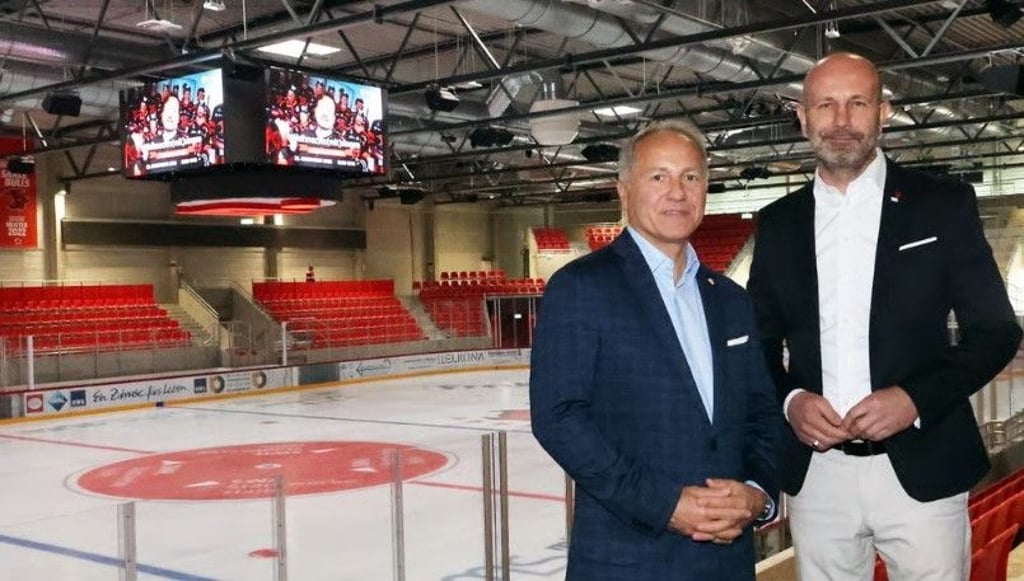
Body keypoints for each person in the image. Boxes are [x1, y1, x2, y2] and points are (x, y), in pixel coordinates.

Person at [747, 52, 1022, 581]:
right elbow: (757, 340)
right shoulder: (778, 223)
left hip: (924, 464)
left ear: (883, 112)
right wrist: (791, 400)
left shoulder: (942, 205)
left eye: (857, 103)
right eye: (825, 105)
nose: (841, 120)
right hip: (817, 473)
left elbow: (995, 330)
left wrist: (913, 398)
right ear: (802, 117)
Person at [530, 119, 780, 581]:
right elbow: (559, 418)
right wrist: (665, 505)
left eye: (690, 177)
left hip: (726, 562)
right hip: (629, 561)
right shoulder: (581, 287)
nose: (677, 192)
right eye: (658, 176)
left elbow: (762, 412)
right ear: (624, 191)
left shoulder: (730, 299)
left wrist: (757, 492)